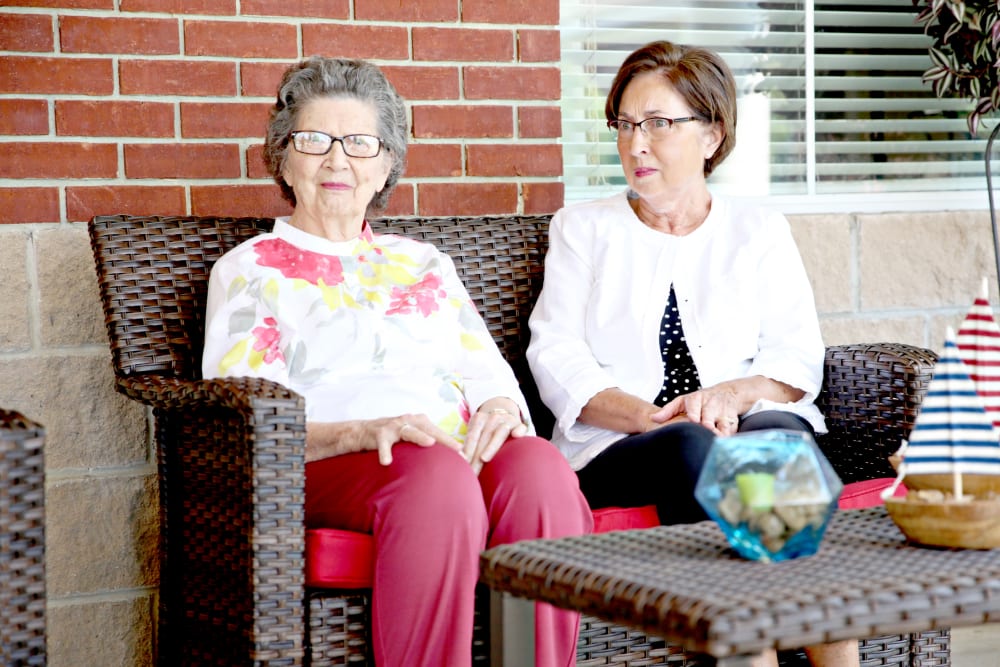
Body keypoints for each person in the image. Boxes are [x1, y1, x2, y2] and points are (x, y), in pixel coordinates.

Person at [201, 56, 592, 667]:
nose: (338, 161)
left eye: (360, 143)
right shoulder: (249, 269)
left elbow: (485, 369)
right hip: (342, 464)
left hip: (446, 455)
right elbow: (247, 424)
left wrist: (495, 404)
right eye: (314, 141)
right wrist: (363, 432)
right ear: (282, 156)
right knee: (435, 477)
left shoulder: (422, 262)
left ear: (385, 165)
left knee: (538, 469)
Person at [526, 40, 858, 667]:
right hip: (624, 441)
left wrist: (729, 397)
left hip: (741, 418)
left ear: (711, 135)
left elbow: (795, 354)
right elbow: (556, 353)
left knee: (779, 443)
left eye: (658, 124)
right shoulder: (583, 228)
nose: (635, 143)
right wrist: (653, 415)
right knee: (695, 446)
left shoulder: (757, 230)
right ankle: (752, 654)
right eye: (625, 124)